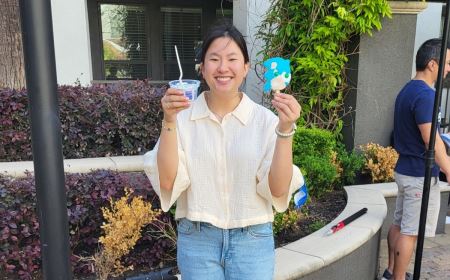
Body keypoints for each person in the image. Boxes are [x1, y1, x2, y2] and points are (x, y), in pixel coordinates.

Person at [143, 20, 303, 280]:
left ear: (246, 68)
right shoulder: (181, 118)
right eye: (214, 59)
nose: (223, 67)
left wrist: (285, 128)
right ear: (202, 69)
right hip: (198, 240)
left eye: (232, 59)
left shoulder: (265, 121)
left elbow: (278, 190)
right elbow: (168, 180)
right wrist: (169, 121)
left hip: (252, 239)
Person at [383, 38, 450, 280]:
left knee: (400, 224)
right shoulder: (425, 95)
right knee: (410, 232)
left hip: (405, 171)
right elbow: (431, 140)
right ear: (433, 64)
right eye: (447, 62)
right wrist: (449, 169)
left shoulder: (407, 89)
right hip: (418, 176)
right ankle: (399, 278)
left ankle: (391, 272)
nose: (448, 68)